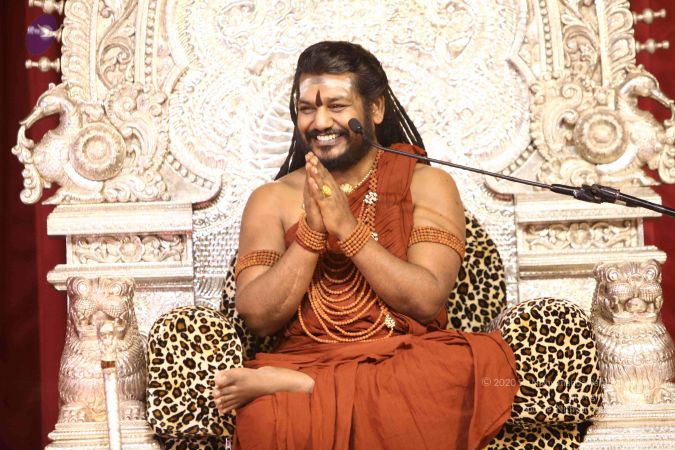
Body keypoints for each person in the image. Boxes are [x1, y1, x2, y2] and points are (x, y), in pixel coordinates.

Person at [212, 41, 519, 450]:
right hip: (307, 353)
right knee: (264, 418)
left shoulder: (425, 184)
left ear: (374, 109)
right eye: (307, 109)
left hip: (403, 359)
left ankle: (303, 385)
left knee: (471, 370)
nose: (321, 121)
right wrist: (311, 234)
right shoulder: (272, 199)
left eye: (337, 106)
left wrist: (347, 229)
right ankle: (303, 381)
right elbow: (257, 317)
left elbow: (426, 300)